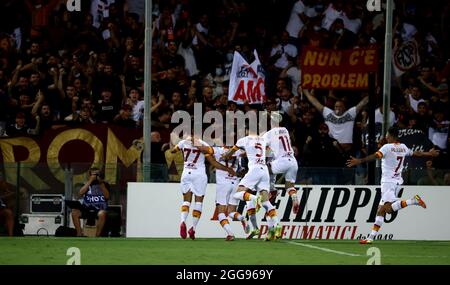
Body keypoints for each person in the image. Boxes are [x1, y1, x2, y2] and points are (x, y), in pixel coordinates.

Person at [347, 126, 439, 244]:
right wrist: (428, 153)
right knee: (380, 211)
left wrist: (360, 161)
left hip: (388, 182)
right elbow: (416, 153)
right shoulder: (403, 147)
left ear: (391, 136)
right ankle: (370, 238)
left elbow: (376, 156)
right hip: (396, 181)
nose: (385, 136)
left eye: (386, 135)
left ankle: (413, 201)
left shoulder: (387, 147)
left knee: (387, 209)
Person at [223, 126, 281, 241]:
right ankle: (277, 225)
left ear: (247, 131)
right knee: (266, 202)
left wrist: (225, 156)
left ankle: (255, 199)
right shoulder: (263, 140)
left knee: (237, 194)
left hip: (254, 170)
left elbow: (230, 153)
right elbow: (269, 152)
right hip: (264, 170)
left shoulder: (243, 140)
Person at [170, 136, 235, 240]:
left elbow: (173, 151)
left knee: (186, 201)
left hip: (186, 172)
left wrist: (177, 145)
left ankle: (182, 221)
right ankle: (193, 228)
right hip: (199, 174)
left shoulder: (183, 143)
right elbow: (212, 162)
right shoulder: (203, 145)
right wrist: (227, 169)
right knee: (198, 202)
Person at [261, 112, 300, 214]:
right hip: (293, 161)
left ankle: (272, 190)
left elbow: (260, 147)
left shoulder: (268, 134)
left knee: (262, 170)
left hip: (282, 161)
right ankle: (294, 197)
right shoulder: (285, 130)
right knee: (289, 186)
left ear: (271, 121)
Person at [213, 146, 249, 241]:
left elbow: (207, 152)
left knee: (220, 213)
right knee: (231, 212)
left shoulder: (217, 150)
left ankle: (230, 233)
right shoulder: (238, 152)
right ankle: (242, 218)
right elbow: (243, 167)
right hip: (235, 183)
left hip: (223, 183)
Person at [71, 167, 110, 237]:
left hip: (99, 209)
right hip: (87, 208)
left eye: (97, 174)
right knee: (74, 212)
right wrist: (90, 181)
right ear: (90, 175)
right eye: (93, 174)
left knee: (102, 213)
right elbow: (80, 193)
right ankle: (79, 233)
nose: (95, 176)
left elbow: (107, 197)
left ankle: (97, 235)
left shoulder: (104, 184)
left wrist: (100, 183)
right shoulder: (87, 184)